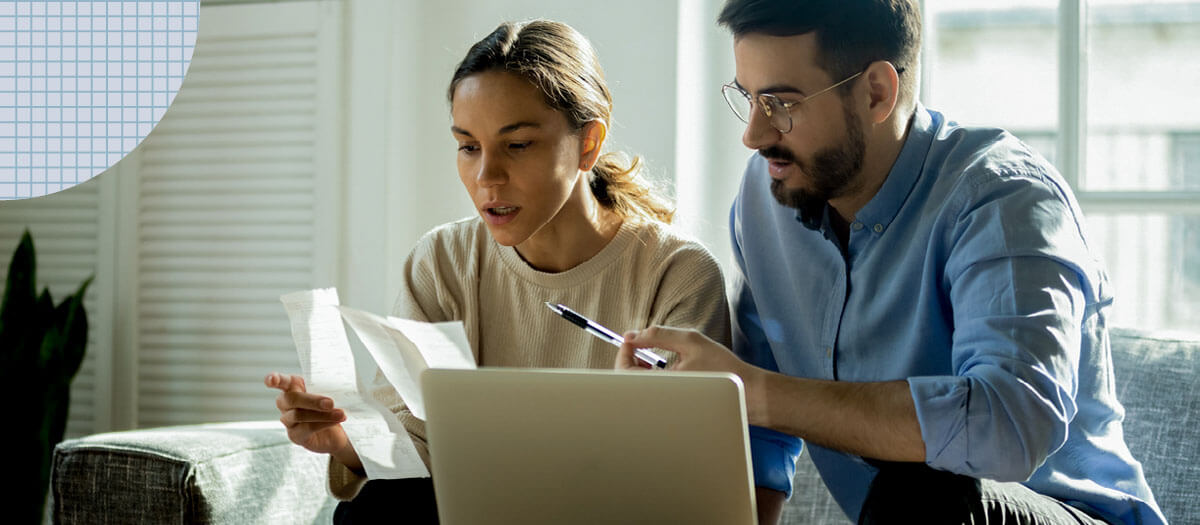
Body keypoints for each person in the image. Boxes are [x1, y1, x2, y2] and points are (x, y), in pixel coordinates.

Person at [615, 1, 1166, 524]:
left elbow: (1009, 426)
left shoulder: (1004, 199)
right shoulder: (768, 198)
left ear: (877, 92)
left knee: (922, 486)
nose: (754, 135)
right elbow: (761, 432)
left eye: (781, 104)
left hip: (1058, 514)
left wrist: (753, 391)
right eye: (749, 98)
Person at [265, 19, 731, 524]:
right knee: (381, 508)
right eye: (468, 146)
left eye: (518, 144)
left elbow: (686, 483)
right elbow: (418, 449)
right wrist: (344, 442)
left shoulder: (677, 275)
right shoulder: (442, 262)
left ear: (588, 143)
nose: (487, 176)